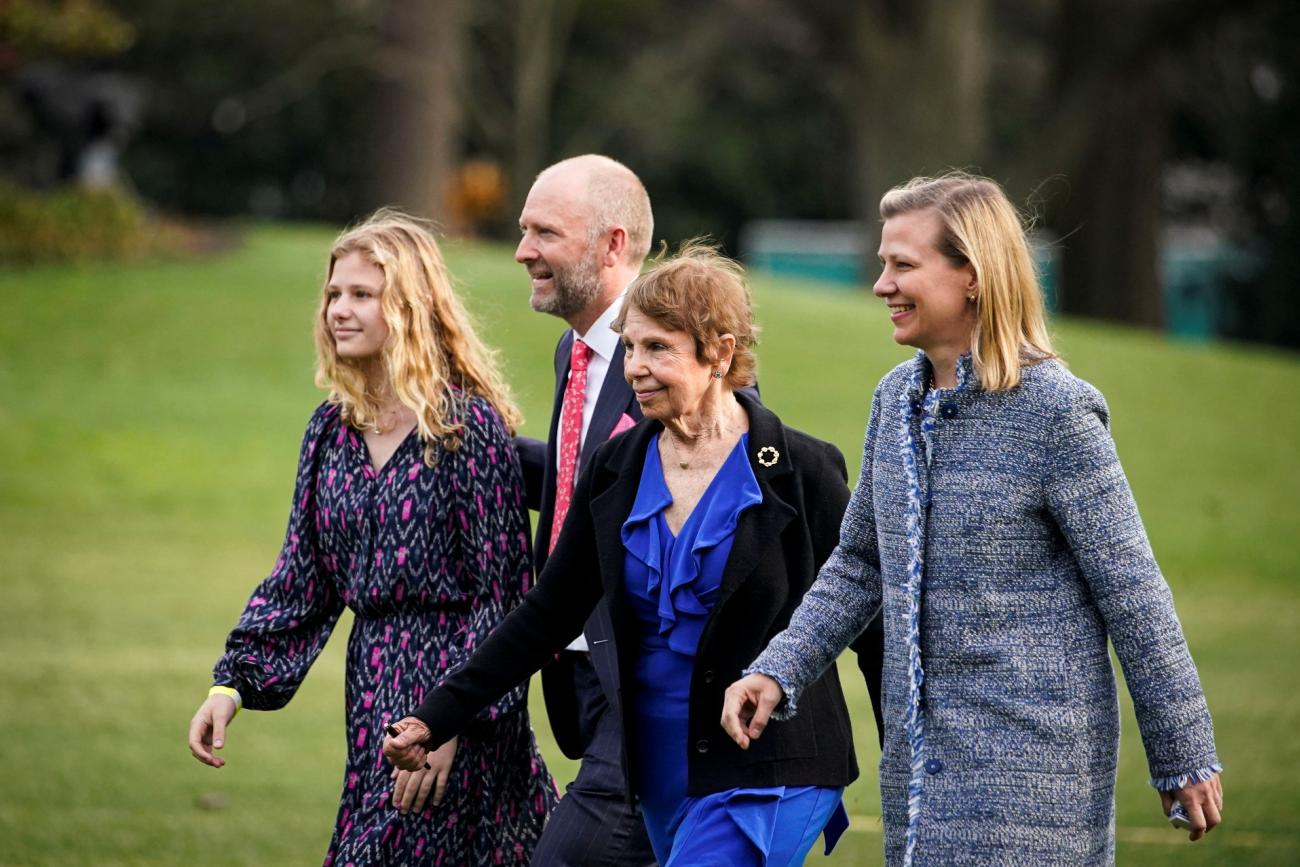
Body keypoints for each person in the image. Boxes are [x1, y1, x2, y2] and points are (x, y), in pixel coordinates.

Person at [721, 173, 1224, 866]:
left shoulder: (1057, 413)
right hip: (919, 774)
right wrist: (780, 670)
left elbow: (1132, 592)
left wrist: (1183, 751)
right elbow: (861, 560)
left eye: (903, 264)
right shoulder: (894, 399)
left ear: (974, 277)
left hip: (1034, 780)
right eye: (881, 263)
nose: (881, 284)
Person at [384, 244, 860, 866]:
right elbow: (549, 611)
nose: (635, 367)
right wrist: (435, 716)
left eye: (658, 348)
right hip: (657, 768)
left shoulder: (802, 469)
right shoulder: (617, 467)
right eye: (630, 347)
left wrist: (908, 765)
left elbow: (864, 612)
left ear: (719, 351)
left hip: (771, 766)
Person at [186, 210, 556, 865]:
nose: (338, 309)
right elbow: (303, 576)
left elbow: (503, 596)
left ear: (409, 306)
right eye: (333, 293)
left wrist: (451, 721)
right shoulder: (330, 430)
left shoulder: (464, 429)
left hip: (457, 706)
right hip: (372, 696)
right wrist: (231, 686)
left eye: (361, 294)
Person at [513, 153, 660, 866]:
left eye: (545, 232)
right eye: (523, 230)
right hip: (575, 674)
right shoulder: (572, 351)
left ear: (613, 245)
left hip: (644, 681)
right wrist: (487, 451)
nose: (522, 251)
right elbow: (588, 478)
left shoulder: (671, 351)